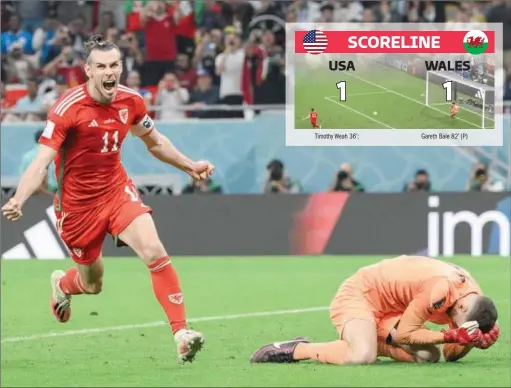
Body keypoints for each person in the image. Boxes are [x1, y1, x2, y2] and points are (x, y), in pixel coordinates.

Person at [1, 35, 215, 364]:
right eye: (100, 66)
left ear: (121, 67)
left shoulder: (131, 102)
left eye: (114, 65)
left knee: (154, 249)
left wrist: (190, 166)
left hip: (116, 191)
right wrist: (19, 198)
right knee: (92, 284)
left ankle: (181, 333)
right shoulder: (67, 109)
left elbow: (155, 142)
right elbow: (42, 161)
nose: (108, 72)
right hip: (77, 208)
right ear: (87, 70)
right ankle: (63, 283)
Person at [250, 255, 499, 365]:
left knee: (428, 357)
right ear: (464, 305)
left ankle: (369, 338)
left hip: (393, 310)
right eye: (458, 323)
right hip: (361, 294)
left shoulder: (471, 298)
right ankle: (295, 349)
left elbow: (449, 355)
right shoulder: (441, 290)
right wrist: (452, 335)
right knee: (361, 357)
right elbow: (405, 335)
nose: (454, 324)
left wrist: (472, 341)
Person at [19, 129, 57, 195]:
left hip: (29, 193)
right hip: (51, 192)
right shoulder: (53, 155)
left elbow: (22, 176)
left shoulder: (26, 156)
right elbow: (56, 177)